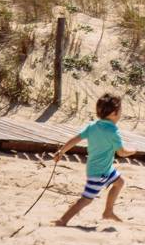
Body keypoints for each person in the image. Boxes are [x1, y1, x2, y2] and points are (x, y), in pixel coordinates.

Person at [52, 92, 136, 226]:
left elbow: (76, 139)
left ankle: (108, 211)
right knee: (86, 199)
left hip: (103, 169)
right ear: (114, 113)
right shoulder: (113, 132)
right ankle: (63, 220)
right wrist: (133, 151)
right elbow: (121, 153)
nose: (121, 113)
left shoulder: (92, 127)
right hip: (99, 172)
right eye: (120, 110)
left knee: (119, 182)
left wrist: (61, 151)